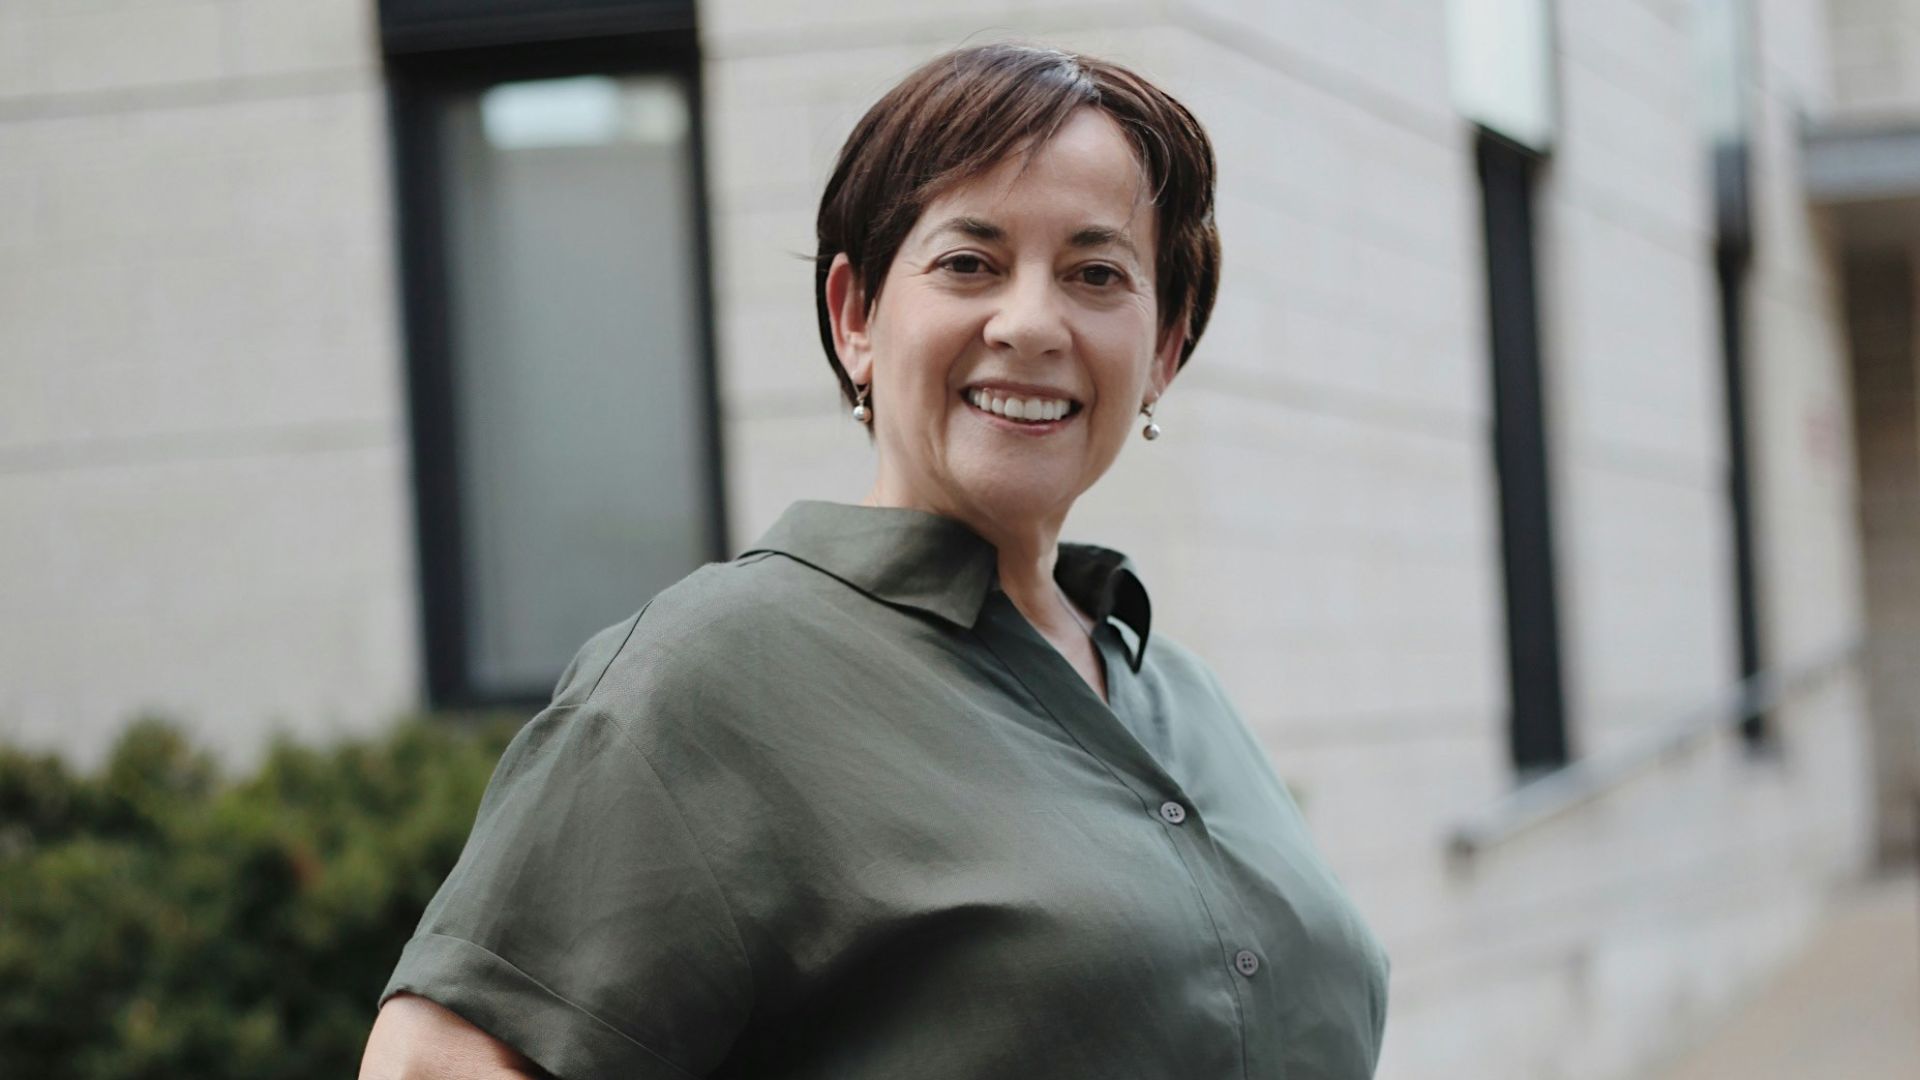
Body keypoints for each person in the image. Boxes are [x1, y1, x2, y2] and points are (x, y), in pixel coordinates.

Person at [360, 41, 1390, 1080]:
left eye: (1096, 273)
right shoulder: (714, 676)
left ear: (1162, 347)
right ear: (856, 316)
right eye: (969, 263)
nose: (1031, 323)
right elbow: (432, 1066)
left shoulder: (1182, 693)